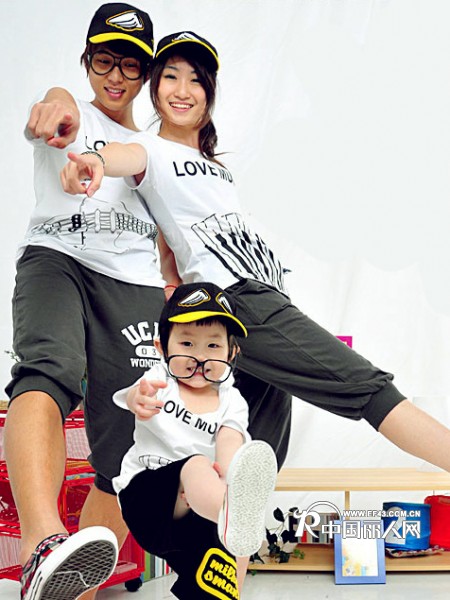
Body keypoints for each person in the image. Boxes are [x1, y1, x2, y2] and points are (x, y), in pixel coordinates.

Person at [62, 26, 450, 573]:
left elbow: (173, 250)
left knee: (243, 480)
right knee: (369, 389)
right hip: (241, 303)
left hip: (254, 310)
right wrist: (97, 161)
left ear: (210, 92)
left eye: (195, 80)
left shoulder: (218, 170)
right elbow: (120, 154)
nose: (182, 90)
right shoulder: (150, 149)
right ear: (154, 87)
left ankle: (218, 578)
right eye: (169, 77)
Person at [3, 4, 176, 600]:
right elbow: (54, 110)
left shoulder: (154, 149)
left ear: (146, 74)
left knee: (131, 442)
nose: (116, 76)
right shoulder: (69, 110)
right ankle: (40, 546)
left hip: (135, 285)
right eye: (104, 60)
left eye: (131, 65)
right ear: (86, 61)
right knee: (47, 370)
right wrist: (56, 110)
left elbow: (171, 236)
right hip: (57, 260)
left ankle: (72, 590)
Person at [112, 281, 277, 598]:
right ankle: (231, 513)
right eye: (187, 343)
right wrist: (139, 399)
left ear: (232, 353)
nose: (199, 356)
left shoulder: (232, 401)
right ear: (162, 348)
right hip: (146, 499)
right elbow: (135, 396)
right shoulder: (160, 380)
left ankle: (231, 585)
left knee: (219, 570)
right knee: (198, 465)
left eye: (213, 346)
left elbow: (230, 439)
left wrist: (228, 478)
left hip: (196, 516)